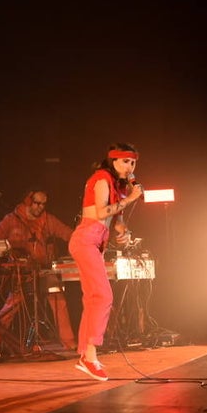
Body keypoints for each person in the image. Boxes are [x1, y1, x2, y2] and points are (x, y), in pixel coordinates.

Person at [68, 143, 144, 380]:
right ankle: (90, 356)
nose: (129, 167)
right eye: (125, 162)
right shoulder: (101, 178)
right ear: (113, 161)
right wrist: (131, 198)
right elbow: (101, 213)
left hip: (96, 242)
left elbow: (116, 219)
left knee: (92, 298)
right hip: (85, 239)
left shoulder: (117, 186)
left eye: (132, 162)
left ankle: (85, 355)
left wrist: (124, 233)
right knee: (103, 296)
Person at [0, 189, 77, 352]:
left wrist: (81, 243)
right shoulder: (11, 220)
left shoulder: (48, 220)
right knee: (12, 304)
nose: (41, 207)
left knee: (58, 298)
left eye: (43, 204)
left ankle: (69, 342)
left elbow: (68, 233)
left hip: (42, 272)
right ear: (28, 201)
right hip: (20, 274)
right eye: (37, 203)